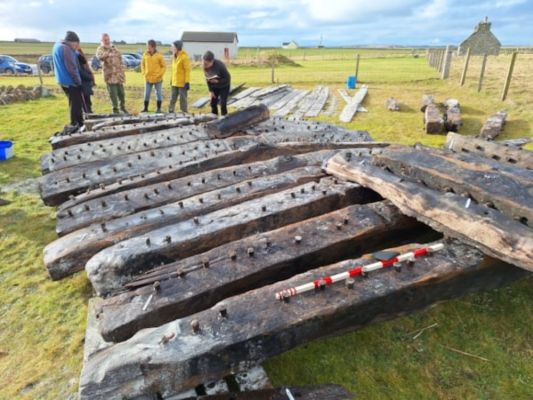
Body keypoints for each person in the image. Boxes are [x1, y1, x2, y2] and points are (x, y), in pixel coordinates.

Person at [52, 31, 84, 127]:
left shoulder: (58, 45)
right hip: (70, 81)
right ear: (72, 42)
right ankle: (75, 124)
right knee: (75, 104)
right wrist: (78, 82)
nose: (77, 46)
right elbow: (71, 67)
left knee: (74, 103)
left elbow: (72, 53)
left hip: (62, 80)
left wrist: (77, 54)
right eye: (77, 44)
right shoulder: (66, 49)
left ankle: (80, 122)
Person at [96, 33, 127, 114]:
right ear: (102, 41)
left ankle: (122, 107)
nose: (107, 41)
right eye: (105, 40)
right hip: (110, 77)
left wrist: (122, 70)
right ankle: (115, 111)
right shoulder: (100, 49)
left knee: (122, 94)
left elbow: (120, 59)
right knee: (113, 95)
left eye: (108, 39)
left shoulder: (114, 48)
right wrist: (108, 51)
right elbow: (100, 57)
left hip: (119, 76)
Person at [202, 51, 231, 116]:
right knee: (213, 103)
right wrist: (210, 91)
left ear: (212, 61)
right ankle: (214, 118)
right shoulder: (204, 65)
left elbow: (228, 78)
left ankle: (224, 119)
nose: (206, 65)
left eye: (207, 64)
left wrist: (218, 81)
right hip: (214, 87)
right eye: (204, 63)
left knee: (222, 104)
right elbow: (207, 79)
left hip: (224, 86)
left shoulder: (220, 66)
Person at [141, 40, 166, 113]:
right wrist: (144, 73)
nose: (147, 48)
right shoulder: (145, 54)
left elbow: (164, 66)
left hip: (158, 79)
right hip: (148, 78)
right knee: (146, 93)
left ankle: (158, 109)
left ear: (153, 47)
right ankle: (145, 108)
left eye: (148, 46)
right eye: (147, 46)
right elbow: (142, 64)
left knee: (158, 93)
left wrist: (159, 75)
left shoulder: (159, 56)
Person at [168, 40, 191, 113]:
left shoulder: (184, 57)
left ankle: (184, 112)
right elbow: (174, 70)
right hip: (174, 82)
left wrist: (187, 82)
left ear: (177, 48)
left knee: (182, 99)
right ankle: (170, 111)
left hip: (182, 83)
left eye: (173, 46)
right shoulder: (174, 57)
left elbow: (187, 70)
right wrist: (171, 79)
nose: (171, 48)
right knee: (172, 98)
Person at [77, 47, 95, 113]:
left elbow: (86, 71)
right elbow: (81, 72)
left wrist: (90, 77)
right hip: (83, 85)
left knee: (87, 101)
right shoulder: (78, 62)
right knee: (85, 103)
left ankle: (89, 112)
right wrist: (90, 77)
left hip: (86, 85)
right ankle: (88, 114)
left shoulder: (82, 61)